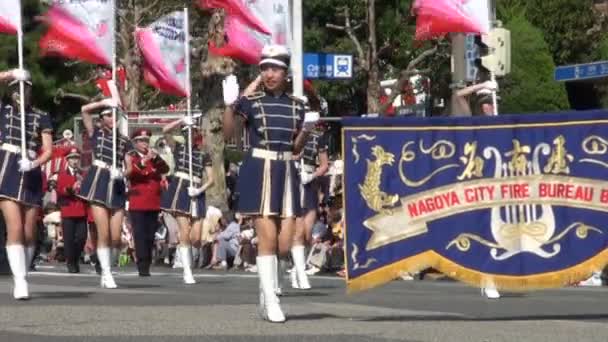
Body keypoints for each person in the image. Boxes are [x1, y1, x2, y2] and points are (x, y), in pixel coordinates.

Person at [222, 45, 317, 323]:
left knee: (286, 243)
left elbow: (296, 148)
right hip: (259, 168)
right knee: (268, 238)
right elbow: (229, 134)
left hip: (286, 169)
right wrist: (229, 106)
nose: (269, 73)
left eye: (275, 68)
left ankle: (266, 291)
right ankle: (272, 299)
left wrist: (307, 131)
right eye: (265, 68)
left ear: (285, 72)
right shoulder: (251, 102)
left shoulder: (297, 105)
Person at [0, 69, 53, 299]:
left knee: (30, 232)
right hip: (8, 168)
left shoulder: (41, 115)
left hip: (30, 169)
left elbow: (48, 150)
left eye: (24, 88)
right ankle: (19, 281)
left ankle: (24, 271)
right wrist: (10, 73)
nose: (20, 93)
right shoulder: (4, 111)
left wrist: (34, 163)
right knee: (15, 228)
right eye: (16, 88)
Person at [77, 98, 130, 289]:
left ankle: (108, 264)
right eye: (108, 115)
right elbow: (84, 110)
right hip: (98, 180)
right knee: (104, 232)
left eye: (113, 114)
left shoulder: (123, 140)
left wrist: (122, 173)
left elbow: (130, 167)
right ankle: (106, 272)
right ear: (102, 118)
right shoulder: (96, 133)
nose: (111, 117)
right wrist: (104, 102)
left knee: (115, 237)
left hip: (115, 182)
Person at [160, 116, 214, 284]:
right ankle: (187, 270)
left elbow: (211, 179)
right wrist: (181, 120)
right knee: (184, 229)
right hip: (180, 188)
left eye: (192, 131)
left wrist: (199, 189)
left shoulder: (204, 154)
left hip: (196, 190)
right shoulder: (178, 147)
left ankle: (183, 254)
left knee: (196, 237)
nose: (190, 135)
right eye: (187, 132)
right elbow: (165, 130)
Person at [125, 129, 170, 277]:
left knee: (150, 235)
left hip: (153, 202)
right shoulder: (130, 157)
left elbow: (165, 169)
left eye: (146, 141)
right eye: (142, 141)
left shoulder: (153, 157)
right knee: (140, 234)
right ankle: (142, 264)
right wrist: (144, 161)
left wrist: (156, 158)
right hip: (138, 202)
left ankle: (147, 262)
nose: (145, 144)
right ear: (136, 143)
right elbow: (132, 173)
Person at [56, 147, 88, 273]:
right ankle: (71, 262)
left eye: (76, 158)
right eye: (72, 158)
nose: (75, 161)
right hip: (68, 209)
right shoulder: (62, 174)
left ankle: (75, 258)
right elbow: (60, 190)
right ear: (67, 160)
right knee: (69, 239)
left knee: (82, 237)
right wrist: (71, 188)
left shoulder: (83, 174)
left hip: (81, 210)